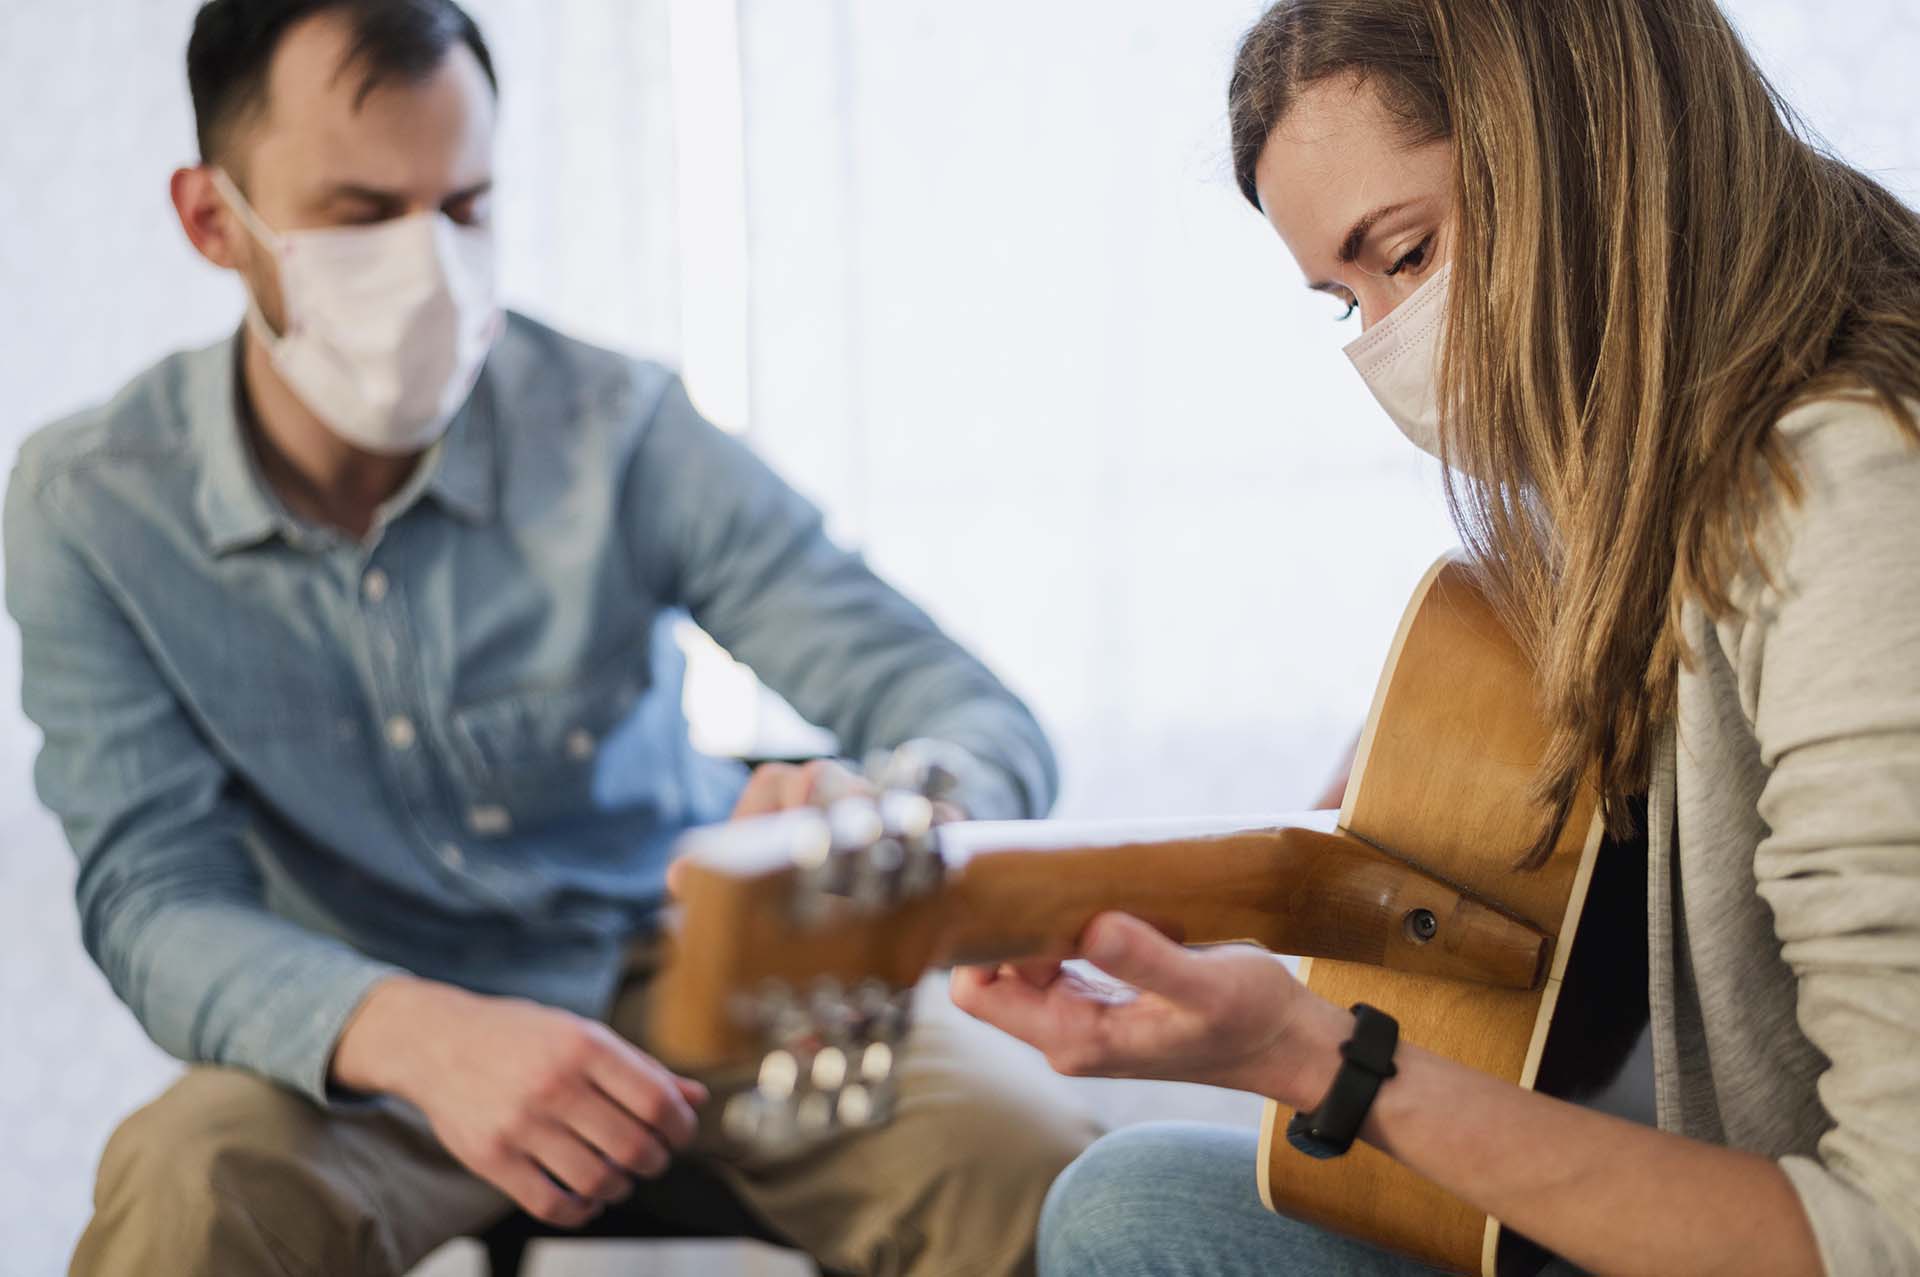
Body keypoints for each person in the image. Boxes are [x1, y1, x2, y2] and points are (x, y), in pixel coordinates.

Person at [4, 2, 1096, 1273]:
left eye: (464, 209)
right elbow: (153, 895)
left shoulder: (616, 426)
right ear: (211, 219)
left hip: (697, 976)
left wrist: (891, 817)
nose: (431, 269)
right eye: (362, 215)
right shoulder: (90, 504)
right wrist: (419, 1034)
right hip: (361, 1038)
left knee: (1040, 1170)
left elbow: (971, 711)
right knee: (191, 1192)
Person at [954, 1, 1920, 1274]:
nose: (1389, 343)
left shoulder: (1849, 493)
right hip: (1720, 1147)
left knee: (1128, 1208)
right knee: (1131, 1195)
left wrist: (1313, 1055)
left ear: (1588, 145)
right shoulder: (1640, 496)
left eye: (1405, 255)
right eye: (1343, 302)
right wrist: (1197, 902)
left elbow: (1890, 1233)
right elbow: (1439, 838)